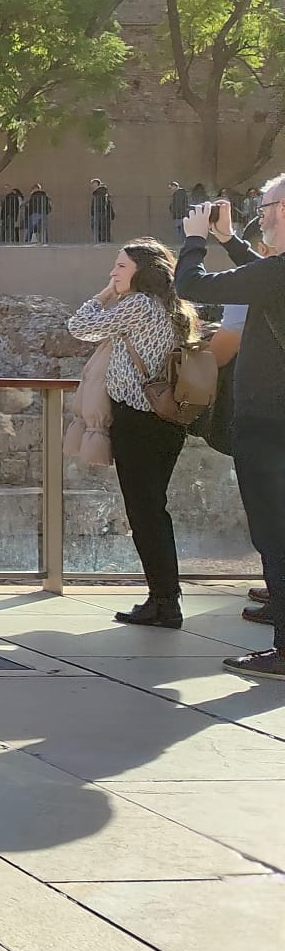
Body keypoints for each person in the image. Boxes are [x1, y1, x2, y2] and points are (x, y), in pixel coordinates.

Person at [176, 183, 285, 679]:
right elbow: (260, 278)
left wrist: (195, 238)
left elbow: (193, 286)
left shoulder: (276, 273)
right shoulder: (274, 274)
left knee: (274, 535)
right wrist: (229, 240)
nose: (260, 218)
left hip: (268, 426)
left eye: (265, 209)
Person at [67, 239, 198, 630]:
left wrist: (104, 295)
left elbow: (80, 327)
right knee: (152, 510)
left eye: (121, 267)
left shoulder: (138, 305)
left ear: (142, 271)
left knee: (145, 513)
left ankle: (164, 602)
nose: (113, 273)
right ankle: (164, 597)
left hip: (138, 420)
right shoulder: (173, 306)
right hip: (166, 420)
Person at [90, 179, 114, 244]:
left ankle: (103, 240)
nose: (92, 186)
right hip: (98, 212)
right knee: (98, 227)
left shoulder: (101, 191)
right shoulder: (98, 192)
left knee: (102, 227)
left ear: (97, 184)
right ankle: (101, 240)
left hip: (101, 212)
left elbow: (105, 202)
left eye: (94, 184)